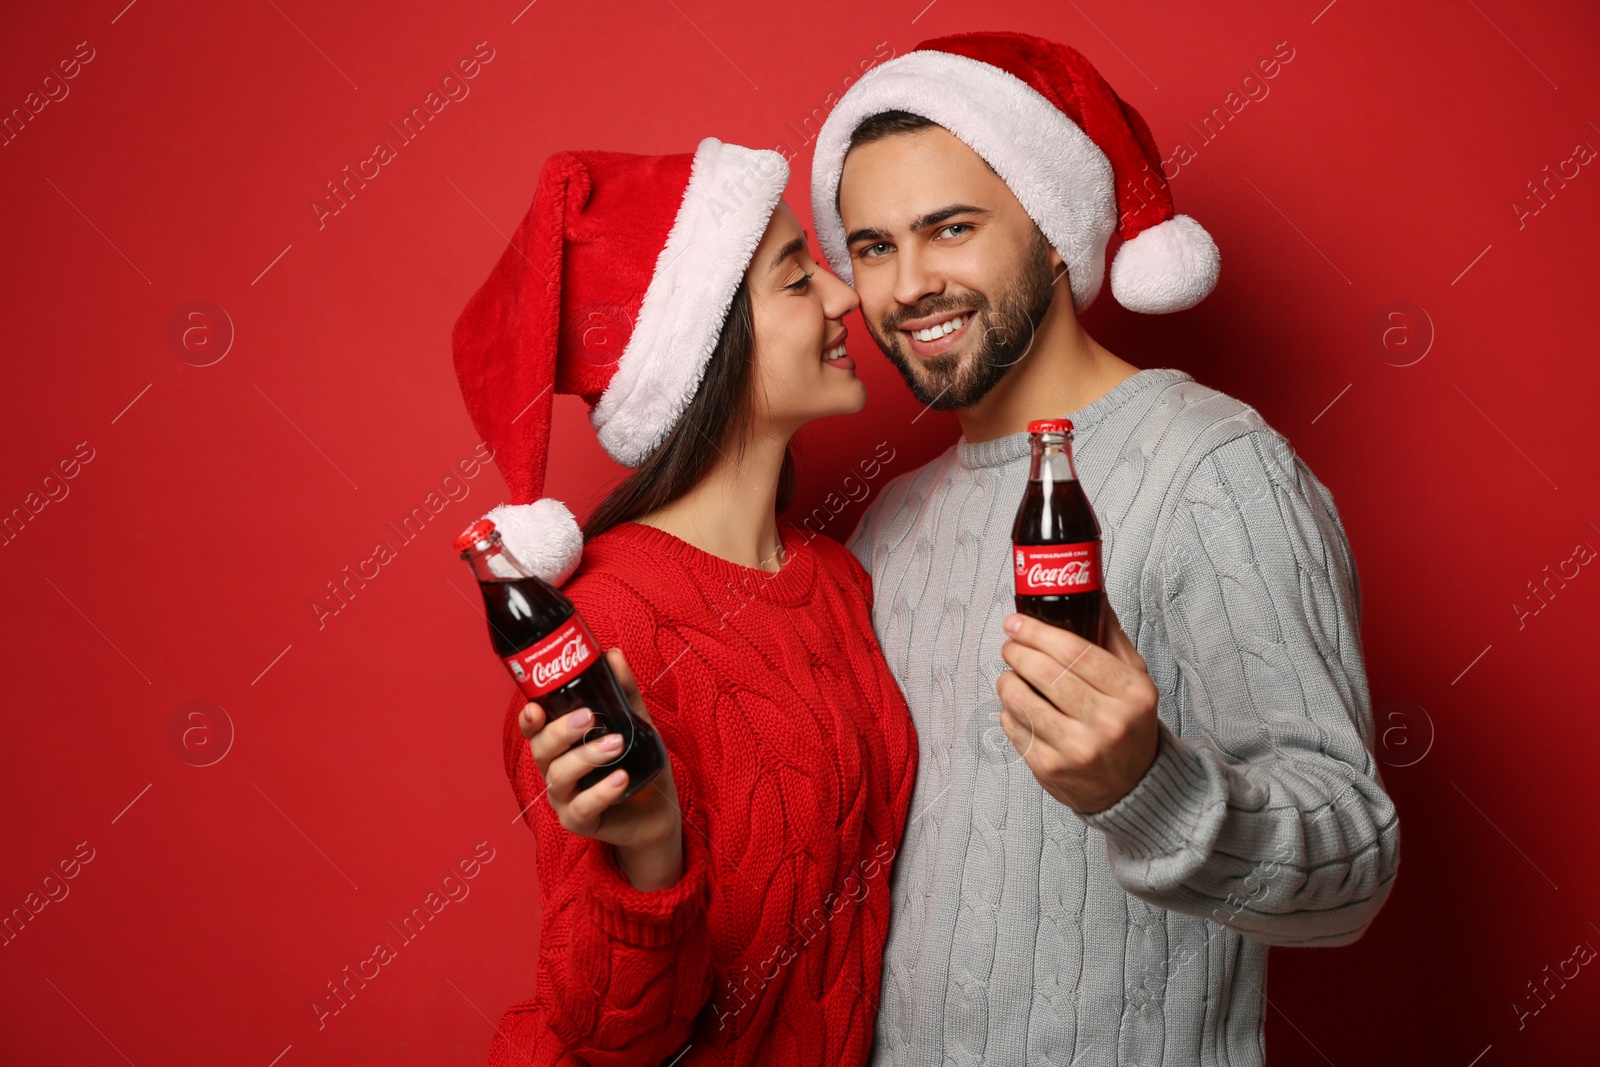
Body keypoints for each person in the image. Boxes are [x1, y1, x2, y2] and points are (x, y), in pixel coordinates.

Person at [805, 31, 1401, 1065]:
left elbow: (1354, 865)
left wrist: (1146, 783)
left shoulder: (1211, 465)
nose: (905, 286)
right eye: (872, 246)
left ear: (1050, 231)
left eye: (949, 228)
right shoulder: (883, 523)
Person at [451, 137, 918, 1066]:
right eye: (796, 280)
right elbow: (607, 1038)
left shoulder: (837, 578)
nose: (844, 297)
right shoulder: (599, 627)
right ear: (707, 348)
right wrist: (649, 843)